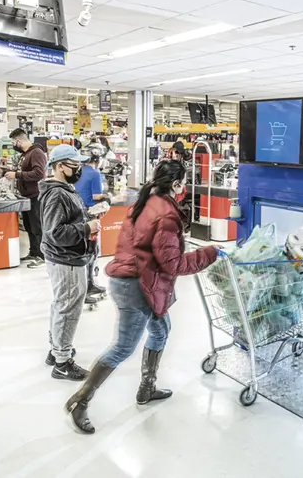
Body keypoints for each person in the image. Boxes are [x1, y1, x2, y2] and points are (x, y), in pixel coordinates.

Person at [64, 160, 218, 434]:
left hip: (142, 280)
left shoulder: (146, 201)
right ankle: (81, 400)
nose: (184, 187)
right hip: (137, 285)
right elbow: (174, 264)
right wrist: (209, 253)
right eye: (183, 182)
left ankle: (147, 387)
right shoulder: (166, 215)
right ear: (176, 184)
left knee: (161, 329)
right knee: (124, 346)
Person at [39, 145, 100, 380]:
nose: (79, 169)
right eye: (74, 165)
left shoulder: (65, 189)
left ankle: (56, 351)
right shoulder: (57, 193)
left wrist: (87, 217)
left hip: (66, 257)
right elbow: (54, 232)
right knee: (67, 308)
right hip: (66, 259)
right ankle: (62, 362)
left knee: (61, 304)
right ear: (60, 166)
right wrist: (86, 227)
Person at [74, 143, 109, 302]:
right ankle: (85, 288)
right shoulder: (95, 173)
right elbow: (96, 197)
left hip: (77, 214)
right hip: (90, 215)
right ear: (98, 158)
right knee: (91, 251)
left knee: (85, 251)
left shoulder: (78, 171)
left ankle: (89, 283)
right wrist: (108, 198)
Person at [8, 128, 47, 268]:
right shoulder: (25, 154)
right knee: (29, 226)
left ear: (19, 141)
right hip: (26, 196)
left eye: (14, 142)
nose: (14, 145)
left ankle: (43, 256)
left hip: (35, 196)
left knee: (37, 226)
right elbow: (22, 171)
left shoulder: (36, 153)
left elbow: (39, 174)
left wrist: (17, 175)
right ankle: (34, 251)